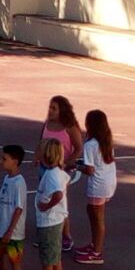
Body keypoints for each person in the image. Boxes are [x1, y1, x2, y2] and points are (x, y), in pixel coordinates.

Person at [27, 140, 70, 270]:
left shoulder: (52, 175)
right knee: (55, 257)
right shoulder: (58, 172)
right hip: (56, 220)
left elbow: (58, 194)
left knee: (48, 261)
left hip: (49, 222)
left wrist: (46, 206)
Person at [39, 95, 85, 250]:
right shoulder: (47, 124)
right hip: (45, 168)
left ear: (62, 111)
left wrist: (66, 163)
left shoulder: (69, 127)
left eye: (54, 108)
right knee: (44, 199)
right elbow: (41, 143)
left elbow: (78, 149)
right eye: (50, 107)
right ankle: (46, 232)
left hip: (60, 169)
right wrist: (37, 157)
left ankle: (66, 235)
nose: (50, 111)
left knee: (59, 203)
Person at [74, 109, 118, 265]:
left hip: (98, 184)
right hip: (108, 181)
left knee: (97, 217)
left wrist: (76, 167)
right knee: (92, 211)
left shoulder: (90, 145)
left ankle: (97, 253)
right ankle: (94, 245)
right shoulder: (106, 141)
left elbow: (90, 170)